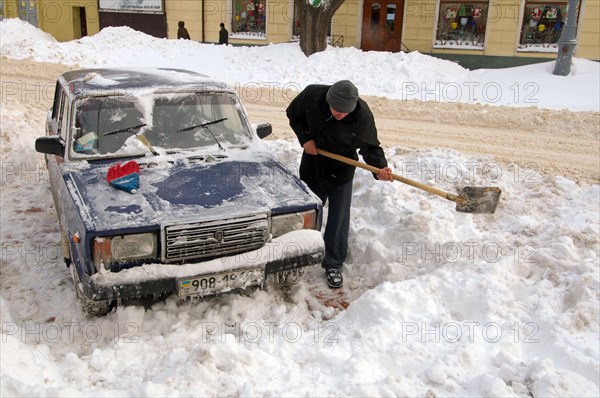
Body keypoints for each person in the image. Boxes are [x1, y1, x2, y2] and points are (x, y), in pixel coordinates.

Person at [286, 80, 393, 288]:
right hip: (314, 161)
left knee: (339, 216)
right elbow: (293, 114)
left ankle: (333, 263)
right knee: (309, 212)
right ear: (328, 100)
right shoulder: (312, 96)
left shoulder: (361, 115)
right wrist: (305, 138)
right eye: (336, 110)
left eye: (345, 112)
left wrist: (380, 168)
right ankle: (301, 252)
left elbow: (371, 147)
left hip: (341, 169)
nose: (340, 115)